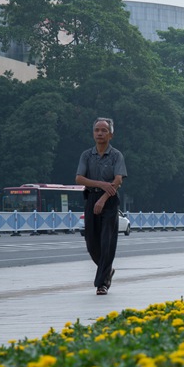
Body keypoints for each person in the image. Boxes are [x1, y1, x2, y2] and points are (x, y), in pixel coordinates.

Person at [76, 117, 127, 295]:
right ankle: (107, 270)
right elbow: (79, 178)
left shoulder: (116, 156)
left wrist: (103, 198)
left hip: (109, 200)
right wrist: (100, 184)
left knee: (107, 242)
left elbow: (118, 180)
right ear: (93, 133)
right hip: (91, 198)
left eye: (104, 130)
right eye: (97, 130)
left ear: (110, 135)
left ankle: (102, 283)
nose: (100, 133)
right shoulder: (86, 155)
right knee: (91, 243)